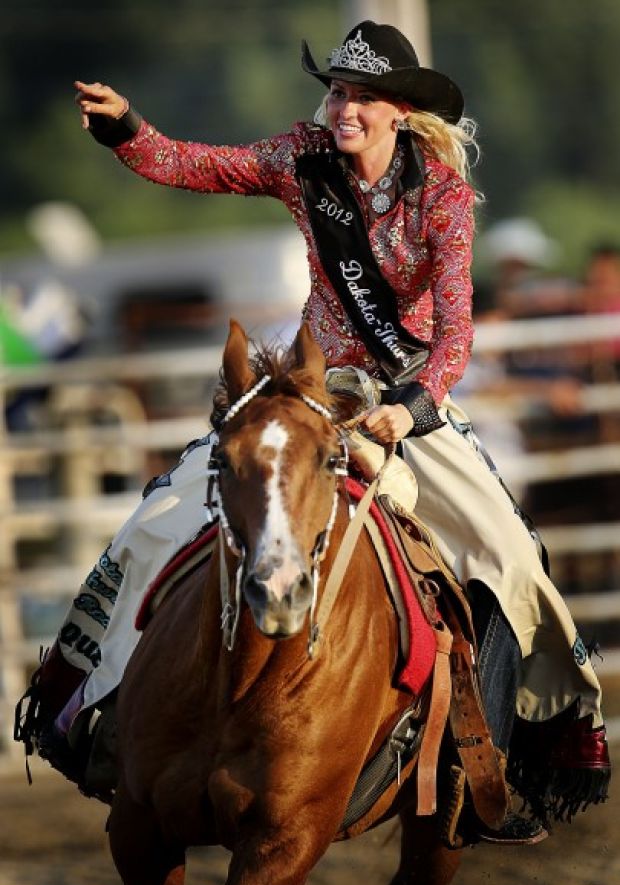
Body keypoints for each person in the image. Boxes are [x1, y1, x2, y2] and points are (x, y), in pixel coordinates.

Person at [16, 21, 609, 841]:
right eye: (336, 90)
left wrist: (415, 403)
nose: (344, 107)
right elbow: (196, 165)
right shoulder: (303, 160)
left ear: (400, 110)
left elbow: (458, 332)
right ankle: (76, 703)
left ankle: (498, 767)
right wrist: (127, 130)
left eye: (361, 95)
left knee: (508, 558)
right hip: (308, 391)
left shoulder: (438, 193)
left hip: (405, 404)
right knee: (152, 521)